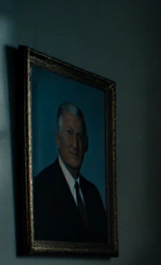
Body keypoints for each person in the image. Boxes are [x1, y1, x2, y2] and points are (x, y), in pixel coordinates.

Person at [32, 102, 108, 243]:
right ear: (58, 139)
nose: (75, 143)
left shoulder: (92, 194)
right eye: (69, 133)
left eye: (79, 136)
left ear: (86, 144)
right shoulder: (40, 188)